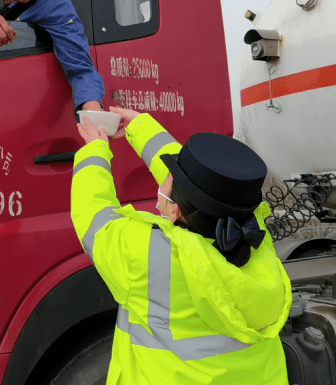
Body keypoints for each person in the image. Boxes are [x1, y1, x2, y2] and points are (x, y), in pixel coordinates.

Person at [71, 107, 291, 384]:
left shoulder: (151, 257)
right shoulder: (257, 241)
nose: (164, 178)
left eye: (169, 178)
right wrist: (139, 126)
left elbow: (92, 212)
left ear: (175, 210)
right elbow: (206, 182)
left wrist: (95, 151)